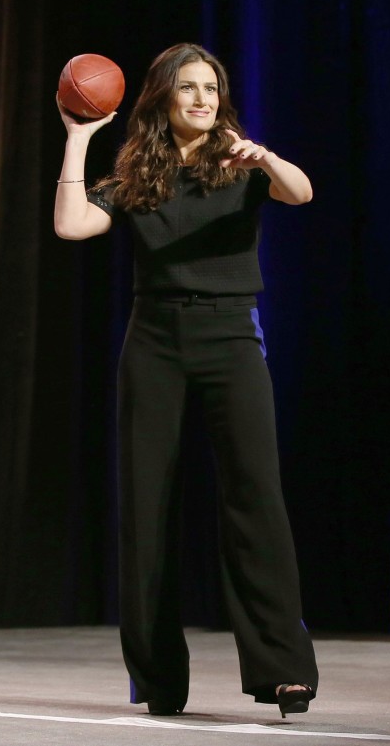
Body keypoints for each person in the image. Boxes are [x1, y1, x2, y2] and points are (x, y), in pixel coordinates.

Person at [54, 42, 318, 719]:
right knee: (146, 510)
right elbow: (71, 223)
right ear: (163, 99)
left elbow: (300, 192)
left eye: (209, 88)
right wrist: (79, 138)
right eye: (187, 89)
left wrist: (264, 156)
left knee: (254, 500)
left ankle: (283, 670)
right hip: (155, 342)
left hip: (230, 337)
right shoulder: (139, 170)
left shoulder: (241, 161)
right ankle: (158, 678)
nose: (200, 99)